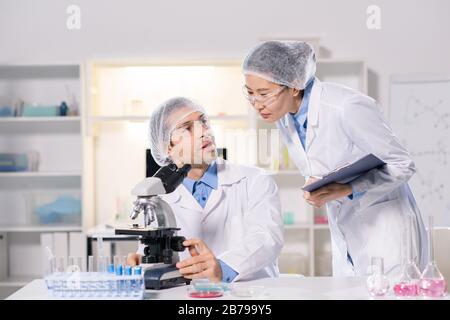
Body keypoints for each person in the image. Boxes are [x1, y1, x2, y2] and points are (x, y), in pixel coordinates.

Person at [242, 40, 427, 276]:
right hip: (346, 233)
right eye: (250, 93)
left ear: (294, 86)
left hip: (386, 230)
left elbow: (402, 164)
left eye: (264, 94)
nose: (257, 104)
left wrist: (349, 188)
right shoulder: (284, 116)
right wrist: (319, 186)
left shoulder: (346, 106)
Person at [127, 97, 284, 282]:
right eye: (187, 128)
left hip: (251, 296)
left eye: (203, 121)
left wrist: (223, 268)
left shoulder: (255, 180)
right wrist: (143, 261)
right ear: (168, 147)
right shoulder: (160, 199)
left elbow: (267, 239)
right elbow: (152, 248)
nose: (204, 131)